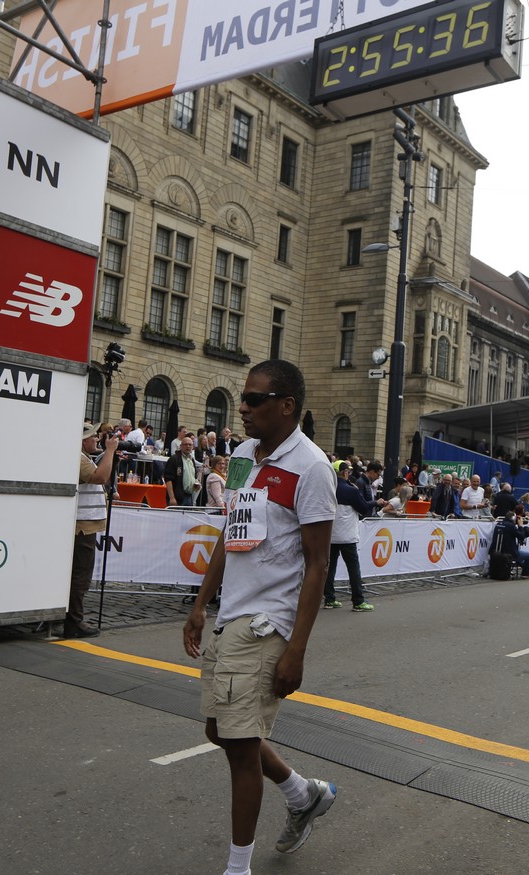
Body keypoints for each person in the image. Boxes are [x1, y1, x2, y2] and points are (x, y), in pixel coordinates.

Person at [182, 360, 338, 875]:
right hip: (231, 614)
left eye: (254, 399)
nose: (243, 408)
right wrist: (201, 604)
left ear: (287, 406)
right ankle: (302, 794)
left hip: (268, 622)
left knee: (241, 749)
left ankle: (238, 868)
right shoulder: (242, 455)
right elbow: (233, 531)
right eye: (243, 399)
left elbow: (318, 564)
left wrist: (297, 649)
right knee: (220, 731)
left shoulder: (312, 468)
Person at [68, 421, 119, 639]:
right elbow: (100, 477)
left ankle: (73, 619)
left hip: (86, 525)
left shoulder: (84, 457)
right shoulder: (78, 458)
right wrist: (110, 451)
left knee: (81, 575)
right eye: (93, 436)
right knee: (80, 576)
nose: (97, 439)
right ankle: (73, 622)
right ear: (83, 441)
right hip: (82, 527)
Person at [324, 461, 374, 612]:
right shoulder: (351, 490)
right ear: (345, 472)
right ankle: (358, 600)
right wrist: (374, 502)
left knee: (330, 568)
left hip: (330, 535)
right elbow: (363, 508)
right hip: (347, 535)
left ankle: (329, 598)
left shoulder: (327, 488)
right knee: (353, 569)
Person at [488, 510, 529, 578]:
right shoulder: (511, 526)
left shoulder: (498, 524)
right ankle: (525, 573)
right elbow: (522, 536)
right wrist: (520, 526)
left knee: (519, 559)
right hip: (509, 553)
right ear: (513, 519)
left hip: (496, 552)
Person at [164, 435, 200, 507]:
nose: (188, 446)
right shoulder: (174, 459)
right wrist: (172, 498)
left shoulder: (192, 460)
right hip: (177, 498)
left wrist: (196, 485)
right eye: (185, 444)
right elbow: (168, 479)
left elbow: (194, 477)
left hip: (189, 497)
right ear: (180, 446)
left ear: (193, 447)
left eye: (190, 445)